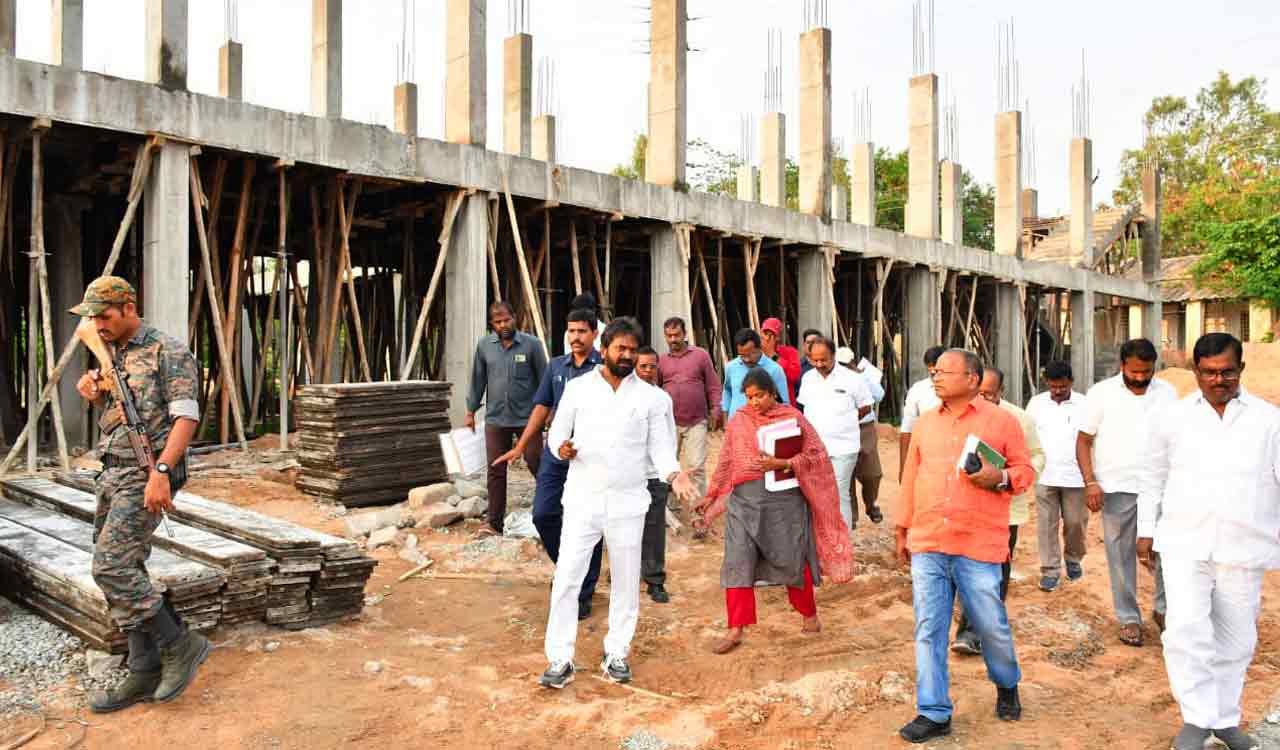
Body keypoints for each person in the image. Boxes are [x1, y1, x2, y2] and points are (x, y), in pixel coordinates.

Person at [70, 277, 209, 713]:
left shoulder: (169, 351)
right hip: (112, 470)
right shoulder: (114, 354)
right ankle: (143, 666)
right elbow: (124, 412)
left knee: (109, 565)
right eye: (91, 317)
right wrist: (94, 394)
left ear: (129, 307)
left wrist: (162, 473)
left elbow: (186, 417)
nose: (96, 323)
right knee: (125, 565)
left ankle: (180, 643)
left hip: (147, 472)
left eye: (103, 315)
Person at [1138, 333, 1280, 750]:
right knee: (1185, 631)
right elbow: (1152, 478)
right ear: (1195, 371)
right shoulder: (1173, 417)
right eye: (1210, 372)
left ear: (1241, 370)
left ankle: (1226, 719)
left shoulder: (1269, 420)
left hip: (1243, 544)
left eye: (1227, 372)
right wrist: (1146, 530)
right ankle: (1197, 721)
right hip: (1185, 541)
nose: (1219, 380)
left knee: (1237, 640)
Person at [538, 318, 697, 688]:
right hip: (581, 500)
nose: (626, 355)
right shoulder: (578, 390)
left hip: (628, 503)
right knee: (566, 579)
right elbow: (557, 434)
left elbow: (662, 451)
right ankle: (560, 658)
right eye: (619, 348)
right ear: (604, 348)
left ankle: (617, 653)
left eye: (632, 349)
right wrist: (561, 448)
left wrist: (677, 476)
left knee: (626, 582)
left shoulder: (654, 399)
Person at [896, 349, 1034, 742]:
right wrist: (902, 527)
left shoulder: (1003, 421)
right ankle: (934, 712)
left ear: (972, 380)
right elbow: (910, 476)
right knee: (929, 628)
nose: (936, 378)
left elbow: (1025, 471)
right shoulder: (924, 423)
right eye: (934, 372)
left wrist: (1000, 477)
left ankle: (1007, 683)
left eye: (945, 372)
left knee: (991, 626)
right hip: (929, 540)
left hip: (978, 543)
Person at [694, 367, 853, 654]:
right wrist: (711, 495)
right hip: (743, 501)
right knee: (737, 562)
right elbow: (727, 462)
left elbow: (816, 454)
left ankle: (810, 616)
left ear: (773, 393)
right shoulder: (739, 420)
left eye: (760, 396)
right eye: (749, 396)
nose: (754, 402)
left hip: (784, 502)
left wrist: (783, 463)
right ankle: (735, 628)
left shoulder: (792, 417)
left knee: (791, 560)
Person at [495, 309, 604, 620]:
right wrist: (520, 445)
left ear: (594, 334)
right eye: (571, 331)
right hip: (556, 454)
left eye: (582, 331)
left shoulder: (602, 369)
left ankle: (583, 590)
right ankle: (569, 568)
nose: (575, 337)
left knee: (586, 522)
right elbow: (542, 407)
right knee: (543, 514)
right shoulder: (556, 366)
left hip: (589, 458)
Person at [1076, 338, 1177, 647]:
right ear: (1122, 366)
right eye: (1134, 372)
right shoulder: (1101, 394)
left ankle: (1163, 610)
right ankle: (1129, 618)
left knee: (1167, 551)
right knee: (1120, 556)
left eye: (1147, 372)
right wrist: (1090, 482)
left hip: (1160, 486)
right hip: (1116, 487)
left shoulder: (1168, 393)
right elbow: (1083, 440)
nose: (1140, 378)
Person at [952, 366, 1045, 656]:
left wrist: (1007, 477)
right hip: (965, 504)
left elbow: (1037, 458)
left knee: (996, 570)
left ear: (1001, 393)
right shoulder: (958, 415)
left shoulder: (1020, 419)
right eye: (978, 394)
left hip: (1005, 509)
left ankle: (978, 631)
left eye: (989, 396)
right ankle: (973, 629)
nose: (983, 400)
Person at [465, 301, 548, 535]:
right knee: (496, 469)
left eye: (506, 320)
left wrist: (548, 412)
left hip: (527, 419)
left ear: (515, 318)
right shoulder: (484, 347)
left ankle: (552, 513)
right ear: (492, 324)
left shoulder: (531, 345)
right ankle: (494, 523)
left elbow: (544, 380)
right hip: (496, 419)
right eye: (497, 322)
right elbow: (478, 380)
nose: (503, 325)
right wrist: (471, 411)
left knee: (537, 463)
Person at [796, 338, 874, 533]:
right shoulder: (808, 379)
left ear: (834, 356)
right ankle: (822, 537)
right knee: (816, 493)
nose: (820, 365)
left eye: (824, 360)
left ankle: (843, 541)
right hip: (814, 447)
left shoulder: (852, 379)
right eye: (815, 361)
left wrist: (844, 422)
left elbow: (865, 407)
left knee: (839, 493)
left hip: (844, 447)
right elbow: (805, 407)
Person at [1025, 360, 1088, 592]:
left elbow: (1091, 438)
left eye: (1062, 386)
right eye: (1053, 387)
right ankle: (1050, 570)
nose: (1058, 391)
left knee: (1075, 523)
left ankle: (1073, 559)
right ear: (1047, 384)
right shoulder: (1036, 404)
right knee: (1046, 525)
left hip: (1075, 476)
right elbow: (1027, 435)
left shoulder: (1085, 404)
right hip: (1045, 475)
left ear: (1071, 382)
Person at [658, 316, 723, 504]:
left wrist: (715, 409)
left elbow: (713, 385)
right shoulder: (661, 361)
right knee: (669, 467)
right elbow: (655, 390)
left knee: (697, 467)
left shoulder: (700, 355)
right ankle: (670, 506)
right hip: (670, 423)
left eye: (676, 335)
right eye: (668, 336)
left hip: (696, 421)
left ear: (685, 334)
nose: (673, 339)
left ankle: (698, 510)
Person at [636, 346, 678, 603]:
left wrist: (670, 473)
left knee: (654, 529)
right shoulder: (622, 396)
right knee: (625, 528)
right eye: (643, 366)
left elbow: (670, 437)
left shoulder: (662, 399)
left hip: (654, 474)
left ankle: (654, 580)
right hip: (628, 475)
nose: (648, 371)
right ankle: (625, 574)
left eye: (652, 366)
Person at [838, 346, 887, 525]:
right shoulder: (833, 379)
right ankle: (851, 517)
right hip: (842, 428)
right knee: (845, 473)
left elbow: (879, 395)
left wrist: (863, 377)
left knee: (872, 473)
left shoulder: (862, 376)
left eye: (846, 364)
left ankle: (871, 503)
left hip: (864, 427)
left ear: (852, 362)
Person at [899, 346, 946, 480]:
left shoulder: (962, 390)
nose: (932, 370)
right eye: (929, 366)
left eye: (935, 365)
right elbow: (907, 430)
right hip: (926, 456)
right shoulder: (918, 390)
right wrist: (903, 468)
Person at [722, 328, 790, 419]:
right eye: (742, 355)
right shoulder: (731, 367)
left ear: (759, 348)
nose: (746, 359)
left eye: (750, 354)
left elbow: (784, 404)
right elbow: (727, 391)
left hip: (763, 427)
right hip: (736, 426)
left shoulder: (775, 370)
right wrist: (725, 420)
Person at [760, 317, 802, 403]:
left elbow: (794, 376)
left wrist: (772, 355)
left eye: (771, 335)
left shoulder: (790, 352)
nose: (768, 338)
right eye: (765, 333)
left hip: (784, 404)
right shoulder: (755, 354)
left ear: (778, 337)